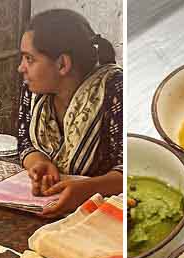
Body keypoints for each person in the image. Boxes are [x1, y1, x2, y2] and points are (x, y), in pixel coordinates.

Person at [17, 9, 123, 218]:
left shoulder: (114, 91)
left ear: (62, 64)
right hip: (52, 208)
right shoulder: (33, 91)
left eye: (29, 59)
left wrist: (88, 190)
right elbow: (25, 142)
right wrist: (39, 163)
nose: (21, 68)